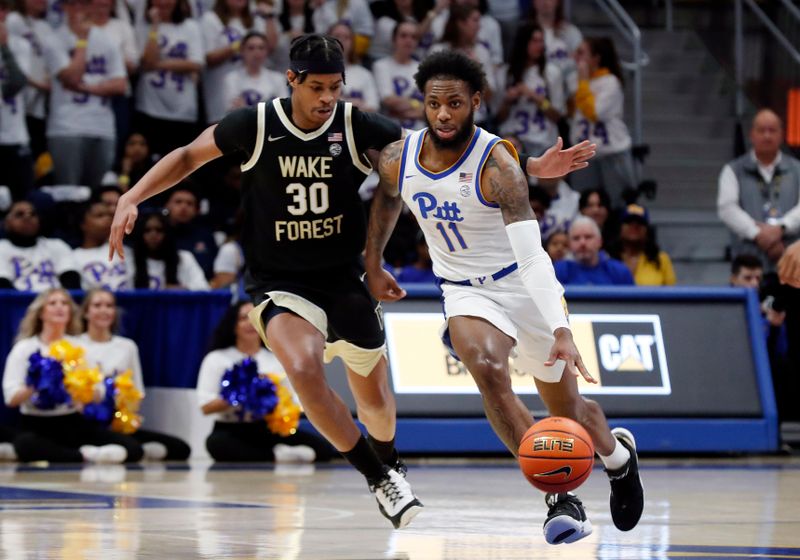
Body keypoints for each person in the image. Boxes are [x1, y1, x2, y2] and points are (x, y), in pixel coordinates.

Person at [109, 33, 423, 529]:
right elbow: (189, 156)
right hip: (278, 280)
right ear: (291, 80)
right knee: (302, 366)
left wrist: (376, 260)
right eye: (316, 87)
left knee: (377, 403)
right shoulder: (255, 125)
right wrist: (132, 196)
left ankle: (390, 460)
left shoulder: (357, 126)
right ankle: (377, 476)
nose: (326, 98)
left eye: (335, 87)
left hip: (343, 278)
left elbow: (416, 168)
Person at [365, 50, 643, 544]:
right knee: (488, 372)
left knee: (572, 414)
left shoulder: (499, 167)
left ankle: (618, 460)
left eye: (454, 103)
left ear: (476, 101)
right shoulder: (397, 158)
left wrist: (561, 329)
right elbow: (387, 199)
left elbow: (535, 257)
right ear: (422, 105)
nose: (444, 114)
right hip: (464, 291)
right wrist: (373, 262)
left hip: (521, 281)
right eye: (434, 104)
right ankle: (560, 497)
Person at [2, 288, 144, 463]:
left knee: (133, 448)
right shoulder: (24, 348)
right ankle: (82, 455)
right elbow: (10, 399)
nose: (59, 307)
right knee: (26, 444)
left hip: (71, 420)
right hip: (34, 421)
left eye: (64, 304)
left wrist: (79, 389)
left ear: (70, 312)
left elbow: (98, 392)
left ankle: (67, 453)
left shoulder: (80, 348)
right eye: (52, 303)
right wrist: (35, 383)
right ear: (41, 313)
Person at [197, 301, 335, 462]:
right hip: (231, 428)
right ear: (233, 325)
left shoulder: (276, 358)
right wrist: (238, 395)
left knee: (323, 448)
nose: (250, 323)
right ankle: (278, 455)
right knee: (216, 445)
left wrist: (270, 398)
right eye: (243, 318)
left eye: (254, 318)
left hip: (269, 426)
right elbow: (206, 407)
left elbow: (294, 401)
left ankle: (274, 454)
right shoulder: (217, 358)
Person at [79, 288, 192, 460]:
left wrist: (123, 414)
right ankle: (99, 451)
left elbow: (136, 391)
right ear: (86, 312)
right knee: (132, 449)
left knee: (180, 448)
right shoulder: (75, 345)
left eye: (109, 306)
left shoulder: (127, 346)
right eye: (97, 305)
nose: (104, 310)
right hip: (85, 420)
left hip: (116, 419)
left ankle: (131, 450)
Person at [43, 0, 127, 189]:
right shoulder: (54, 39)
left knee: (98, 194)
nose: (79, 10)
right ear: (64, 7)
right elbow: (72, 77)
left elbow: (120, 85)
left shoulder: (107, 39)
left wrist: (85, 87)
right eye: (73, 4)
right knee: (70, 193)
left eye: (84, 4)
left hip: (103, 127)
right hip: (66, 127)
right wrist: (82, 40)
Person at [717, 109, 800, 270]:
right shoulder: (733, 170)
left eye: (772, 130)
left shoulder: (797, 169)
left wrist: (781, 228)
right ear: (751, 135)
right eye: (761, 130)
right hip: (748, 270)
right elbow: (727, 209)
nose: (767, 136)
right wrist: (758, 234)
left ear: (781, 135)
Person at [568, 37, 635, 205]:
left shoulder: (610, 82)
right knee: (583, 204)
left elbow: (593, 113)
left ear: (596, 58)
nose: (576, 57)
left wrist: (582, 81)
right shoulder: (575, 80)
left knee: (617, 204)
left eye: (582, 53)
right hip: (583, 154)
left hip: (611, 153)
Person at [0, 200, 80, 291]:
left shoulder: (57, 245)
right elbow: (3, 286)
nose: (27, 217)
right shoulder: (2, 248)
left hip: (56, 302)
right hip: (16, 303)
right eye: (19, 214)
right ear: (6, 223)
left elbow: (71, 279)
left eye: (32, 214)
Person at [131, 211, 210, 290]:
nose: (153, 235)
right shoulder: (129, 259)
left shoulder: (184, 258)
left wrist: (181, 290)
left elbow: (204, 289)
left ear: (167, 234)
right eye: (147, 230)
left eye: (159, 230)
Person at [72, 199, 135, 290]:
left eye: (110, 216)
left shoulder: (127, 251)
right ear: (83, 224)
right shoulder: (74, 256)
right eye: (100, 215)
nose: (108, 219)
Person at [554, 216, 633, 286]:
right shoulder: (556, 271)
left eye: (588, 237)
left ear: (600, 242)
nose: (582, 243)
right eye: (576, 238)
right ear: (569, 244)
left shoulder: (620, 272)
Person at [610, 204, 676, 286]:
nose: (634, 226)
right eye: (629, 221)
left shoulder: (662, 260)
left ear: (647, 230)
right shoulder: (607, 258)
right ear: (620, 228)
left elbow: (671, 294)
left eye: (640, 222)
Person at [221, 31, 285, 112]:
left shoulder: (278, 79)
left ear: (267, 51)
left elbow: (283, 110)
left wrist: (247, 107)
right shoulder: (231, 79)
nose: (256, 52)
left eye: (261, 48)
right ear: (242, 51)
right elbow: (232, 110)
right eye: (251, 48)